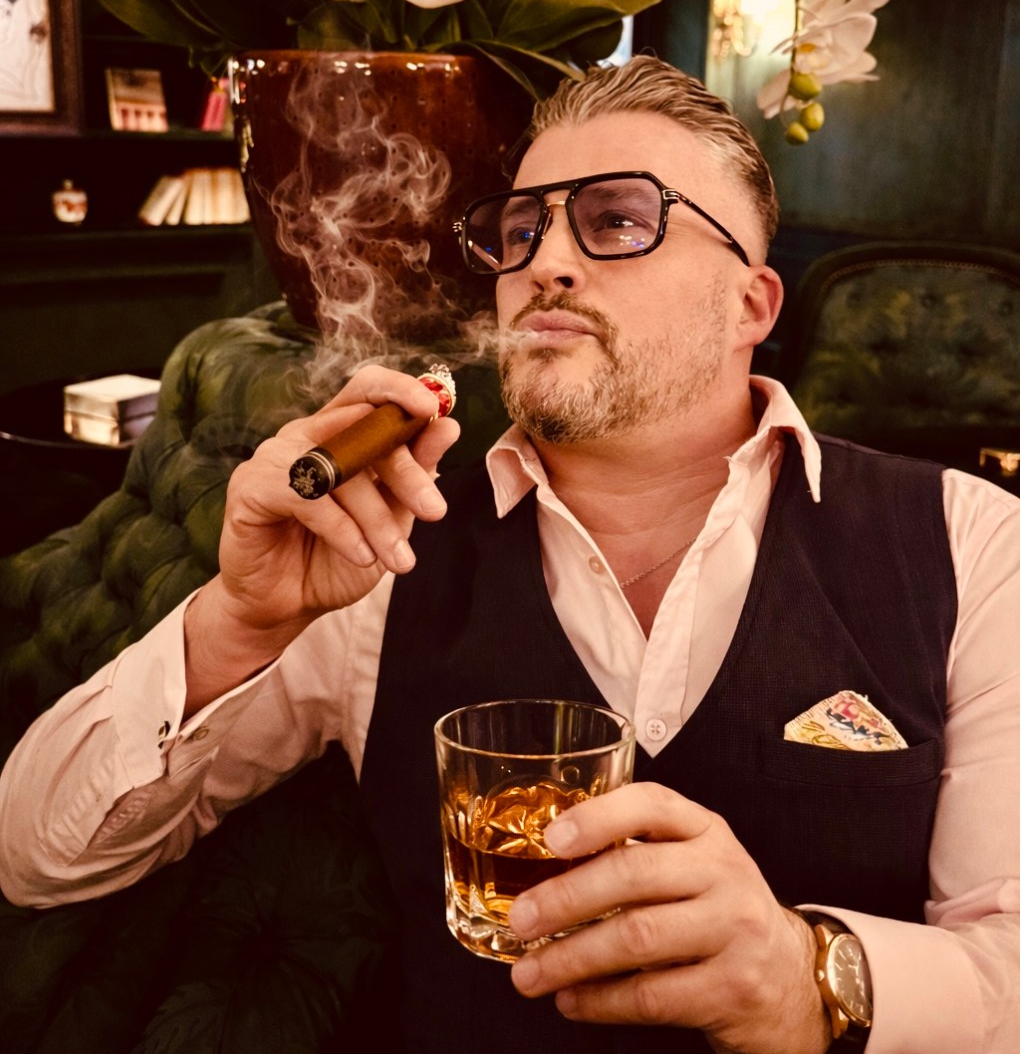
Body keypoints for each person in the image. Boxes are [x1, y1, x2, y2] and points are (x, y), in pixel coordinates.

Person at [1, 56, 1017, 1054]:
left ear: (752, 304)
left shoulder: (968, 541)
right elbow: (36, 853)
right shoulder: (382, 551)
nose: (545, 263)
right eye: (521, 230)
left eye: (618, 220)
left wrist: (814, 979)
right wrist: (238, 618)